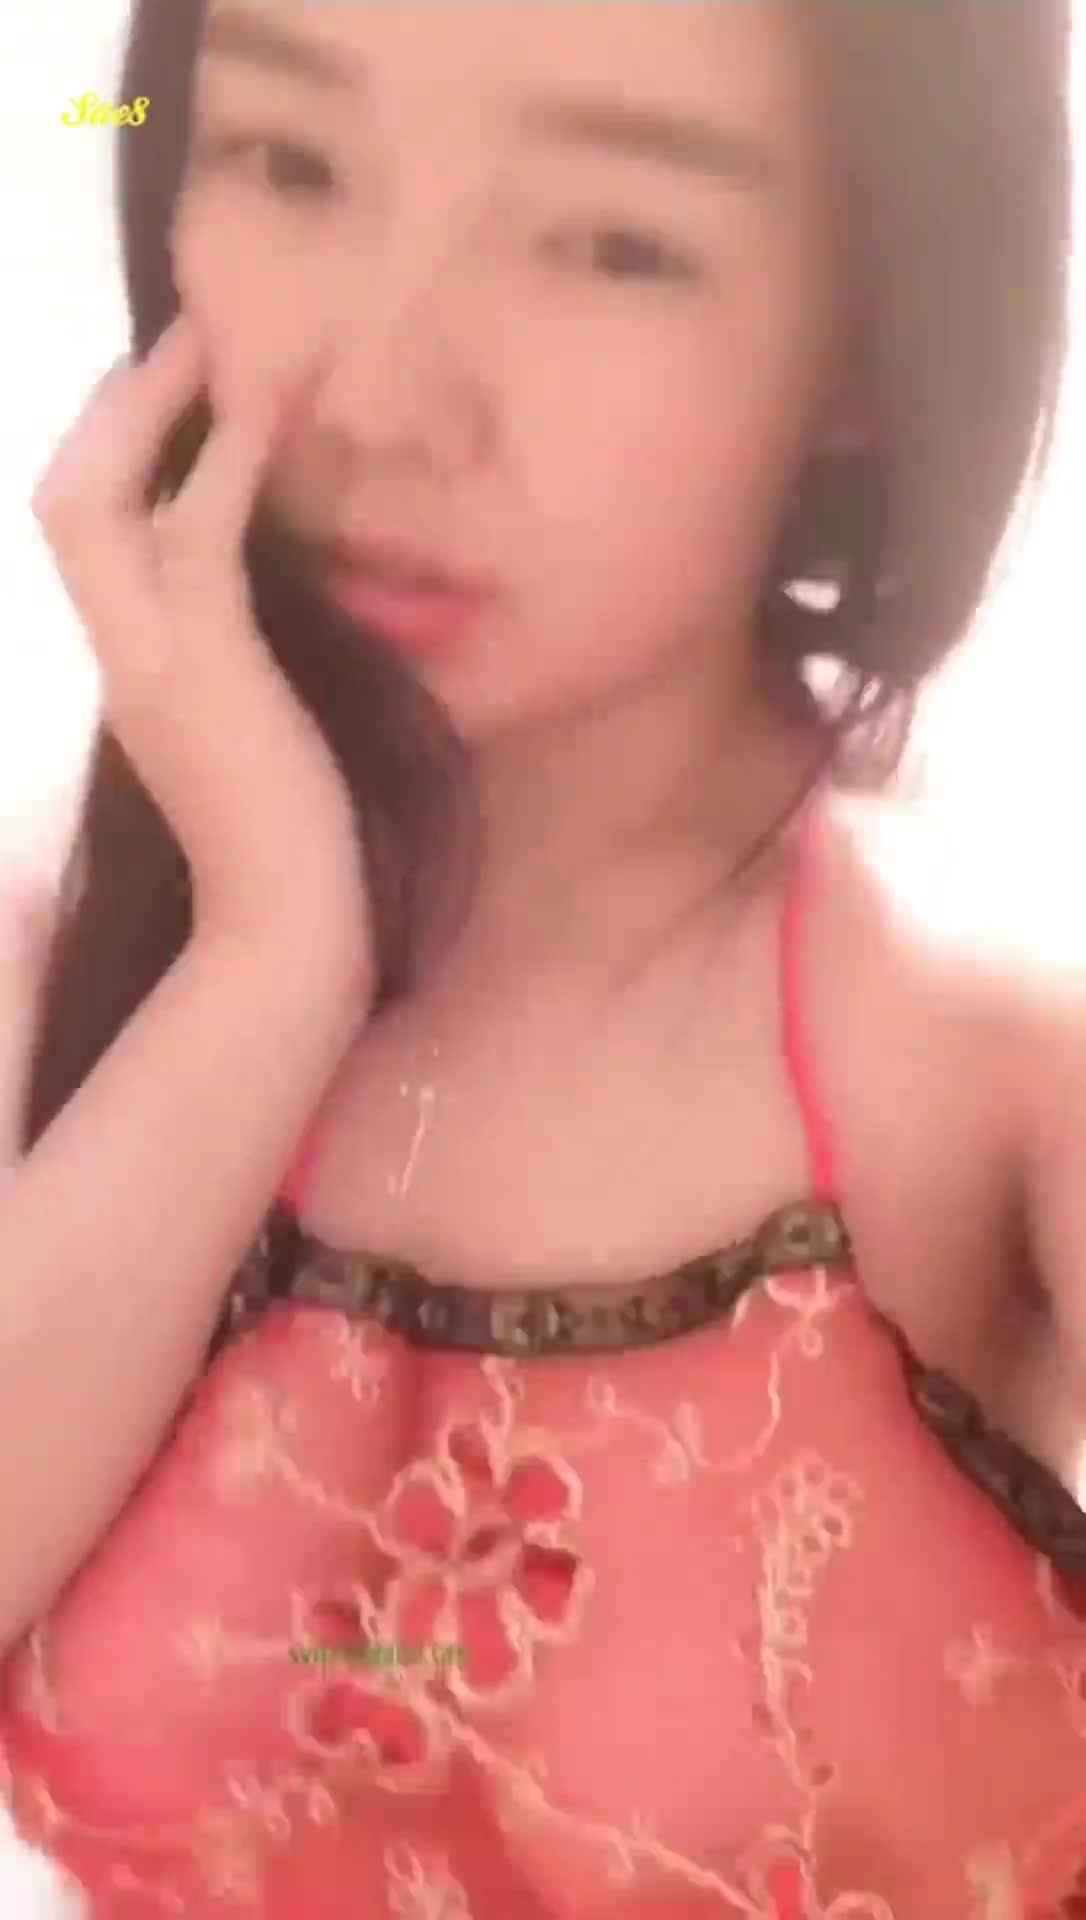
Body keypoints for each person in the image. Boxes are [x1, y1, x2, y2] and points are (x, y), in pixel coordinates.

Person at [0, 1, 1083, 1914]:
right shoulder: (64, 965)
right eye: (290, 160)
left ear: (867, 331)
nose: (383, 400)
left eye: (614, 245)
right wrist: (265, 966)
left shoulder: (997, 1040)